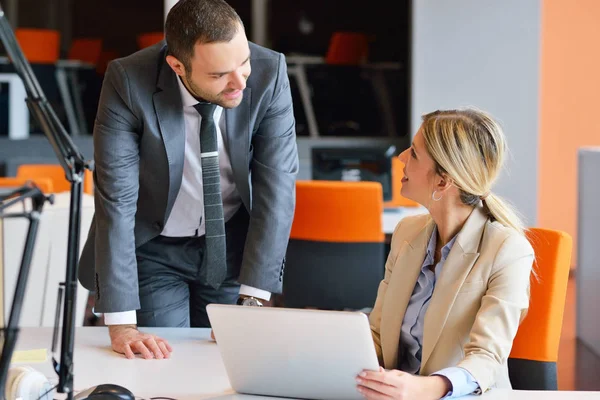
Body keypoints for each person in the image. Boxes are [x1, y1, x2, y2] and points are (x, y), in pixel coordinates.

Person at [78, 0, 298, 360]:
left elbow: (278, 187)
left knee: (227, 364)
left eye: (243, 63)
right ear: (177, 66)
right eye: (218, 75)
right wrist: (122, 325)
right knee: (161, 363)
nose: (239, 82)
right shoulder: (128, 81)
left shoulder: (269, 71)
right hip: (154, 249)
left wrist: (253, 299)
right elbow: (116, 199)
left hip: (231, 247)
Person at [356, 108, 534, 399]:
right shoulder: (406, 233)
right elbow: (376, 335)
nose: (401, 157)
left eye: (413, 153)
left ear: (443, 182)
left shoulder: (508, 250)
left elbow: (487, 356)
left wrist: (427, 388)